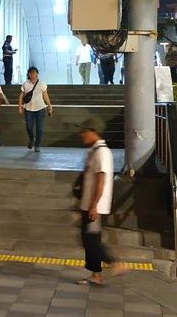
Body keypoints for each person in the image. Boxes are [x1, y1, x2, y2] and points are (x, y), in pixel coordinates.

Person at [77, 118, 126, 285]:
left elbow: (101, 181)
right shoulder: (94, 151)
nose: (82, 135)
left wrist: (94, 205)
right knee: (88, 240)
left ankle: (114, 263)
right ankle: (96, 275)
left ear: (93, 132)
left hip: (95, 207)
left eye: (85, 132)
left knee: (91, 240)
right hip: (88, 204)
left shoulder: (102, 153)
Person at [17, 67, 53, 152]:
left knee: (39, 128)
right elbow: (21, 95)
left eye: (34, 73)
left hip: (40, 108)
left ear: (37, 74)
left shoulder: (42, 84)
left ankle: (37, 145)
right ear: (29, 74)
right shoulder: (25, 84)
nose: (32, 75)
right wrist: (20, 106)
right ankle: (31, 139)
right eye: (31, 73)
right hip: (28, 109)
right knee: (29, 127)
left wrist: (49, 106)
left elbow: (45, 96)